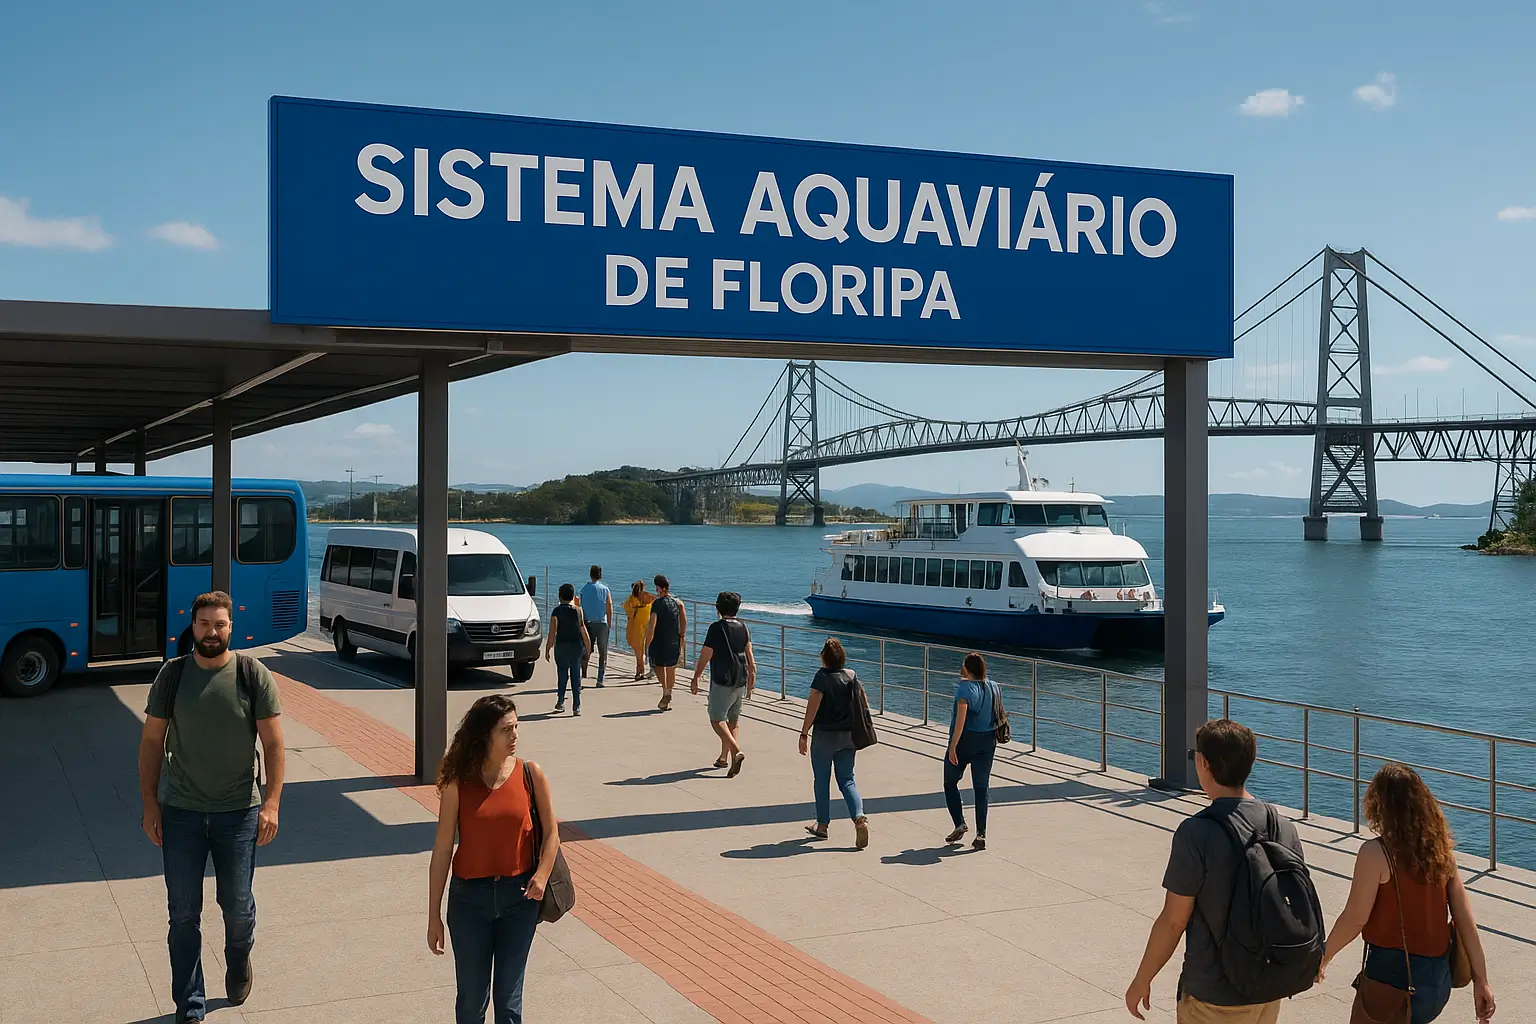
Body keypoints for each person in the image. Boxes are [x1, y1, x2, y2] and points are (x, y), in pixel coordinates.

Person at [138, 591, 286, 1024]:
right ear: (193, 625)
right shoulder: (173, 675)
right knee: (183, 913)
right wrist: (150, 803)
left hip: (238, 814)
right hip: (181, 812)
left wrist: (272, 803)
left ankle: (239, 961)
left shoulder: (250, 673)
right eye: (204, 624)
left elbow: (274, 744)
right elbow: (150, 743)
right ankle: (191, 1005)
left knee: (237, 906)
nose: (211, 632)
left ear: (230, 627)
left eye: (219, 624)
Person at [1124, 718, 1315, 1023]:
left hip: (1214, 995)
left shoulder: (1196, 833)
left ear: (1203, 763)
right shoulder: (1282, 826)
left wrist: (1142, 979)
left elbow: (1174, 921)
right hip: (1268, 989)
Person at [1319, 763, 1496, 1024]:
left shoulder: (1376, 853)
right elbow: (1466, 924)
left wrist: (1324, 956)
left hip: (1394, 982)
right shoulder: (1442, 853)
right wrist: (1482, 983)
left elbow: (1355, 918)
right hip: (1436, 984)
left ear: (1378, 805)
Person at [428, 695, 561, 1024]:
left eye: (516, 727)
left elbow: (552, 835)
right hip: (469, 901)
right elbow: (443, 848)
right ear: (485, 734)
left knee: (509, 1000)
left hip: (519, 900)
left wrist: (542, 876)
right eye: (506, 729)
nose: (515, 735)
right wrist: (433, 915)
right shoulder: (459, 782)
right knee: (472, 1002)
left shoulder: (531, 773)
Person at [797, 638, 870, 849]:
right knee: (848, 779)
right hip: (848, 736)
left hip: (825, 736)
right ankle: (859, 817)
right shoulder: (852, 675)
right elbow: (864, 701)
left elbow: (812, 706)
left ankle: (822, 826)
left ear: (824, 658)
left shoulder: (821, 678)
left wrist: (803, 733)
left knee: (821, 780)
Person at [690, 591, 756, 776]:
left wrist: (696, 676)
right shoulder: (744, 627)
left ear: (718, 608)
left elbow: (706, 653)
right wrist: (752, 674)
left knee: (716, 718)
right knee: (733, 720)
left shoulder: (716, 628)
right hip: (740, 678)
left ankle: (736, 751)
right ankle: (724, 758)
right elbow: (749, 653)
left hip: (722, 679)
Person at [942, 652, 997, 850]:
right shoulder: (994, 686)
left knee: (950, 782)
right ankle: (981, 834)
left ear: (967, 668)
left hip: (966, 740)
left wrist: (953, 746)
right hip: (988, 741)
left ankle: (960, 822)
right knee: (981, 788)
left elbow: (961, 720)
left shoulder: (964, 689)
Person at [543, 583, 590, 715]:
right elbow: (583, 630)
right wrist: (588, 646)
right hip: (576, 646)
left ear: (560, 596)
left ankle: (561, 701)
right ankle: (577, 706)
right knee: (576, 675)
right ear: (572, 596)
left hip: (561, 646)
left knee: (562, 674)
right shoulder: (578, 611)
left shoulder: (556, 611)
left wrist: (547, 649)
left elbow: (552, 633)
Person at [645, 574, 686, 711]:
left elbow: (652, 624)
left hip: (659, 640)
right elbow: (683, 620)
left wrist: (647, 641)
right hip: (674, 639)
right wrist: (682, 636)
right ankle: (668, 693)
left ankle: (665, 691)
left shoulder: (656, 604)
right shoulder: (678, 602)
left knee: (657, 666)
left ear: (658, 588)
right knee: (671, 667)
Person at [578, 565, 613, 688]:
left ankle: (583, 674)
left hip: (587, 622)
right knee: (603, 652)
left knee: (587, 649)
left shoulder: (583, 589)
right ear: (600, 575)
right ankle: (600, 678)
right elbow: (609, 607)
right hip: (602, 623)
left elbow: (580, 608)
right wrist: (610, 623)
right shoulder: (605, 589)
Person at [622, 580, 655, 681]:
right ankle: (646, 669)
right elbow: (654, 600)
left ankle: (639, 670)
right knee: (647, 649)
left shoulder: (631, 600)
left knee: (638, 652)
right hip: (646, 626)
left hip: (635, 627)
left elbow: (627, 609)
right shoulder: (648, 598)